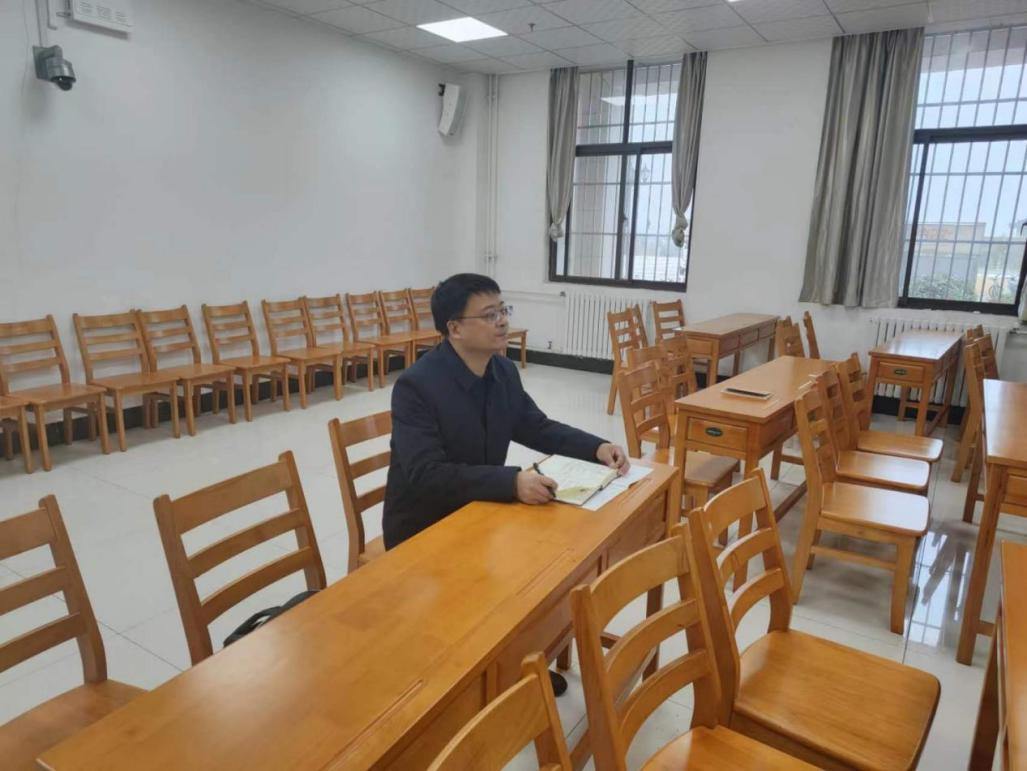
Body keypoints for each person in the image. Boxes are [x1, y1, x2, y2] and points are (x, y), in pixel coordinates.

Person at [383, 273, 629, 694]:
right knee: (513, 573)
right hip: (426, 525)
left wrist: (596, 447)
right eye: (489, 315)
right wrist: (511, 482)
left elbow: (535, 426)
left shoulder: (501, 370)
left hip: (481, 509)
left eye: (503, 310)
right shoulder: (417, 387)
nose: (502, 321)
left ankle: (512, 666)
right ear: (454, 328)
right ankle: (473, 683)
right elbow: (427, 474)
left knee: (540, 566)